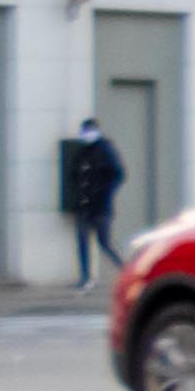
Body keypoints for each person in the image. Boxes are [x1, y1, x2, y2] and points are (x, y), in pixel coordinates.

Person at [58, 114, 127, 280]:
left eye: (89, 131)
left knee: (104, 242)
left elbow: (118, 174)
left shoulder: (105, 150)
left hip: (101, 207)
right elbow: (74, 174)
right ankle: (85, 277)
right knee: (82, 242)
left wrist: (105, 192)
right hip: (84, 206)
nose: (86, 135)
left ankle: (126, 271)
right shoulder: (82, 152)